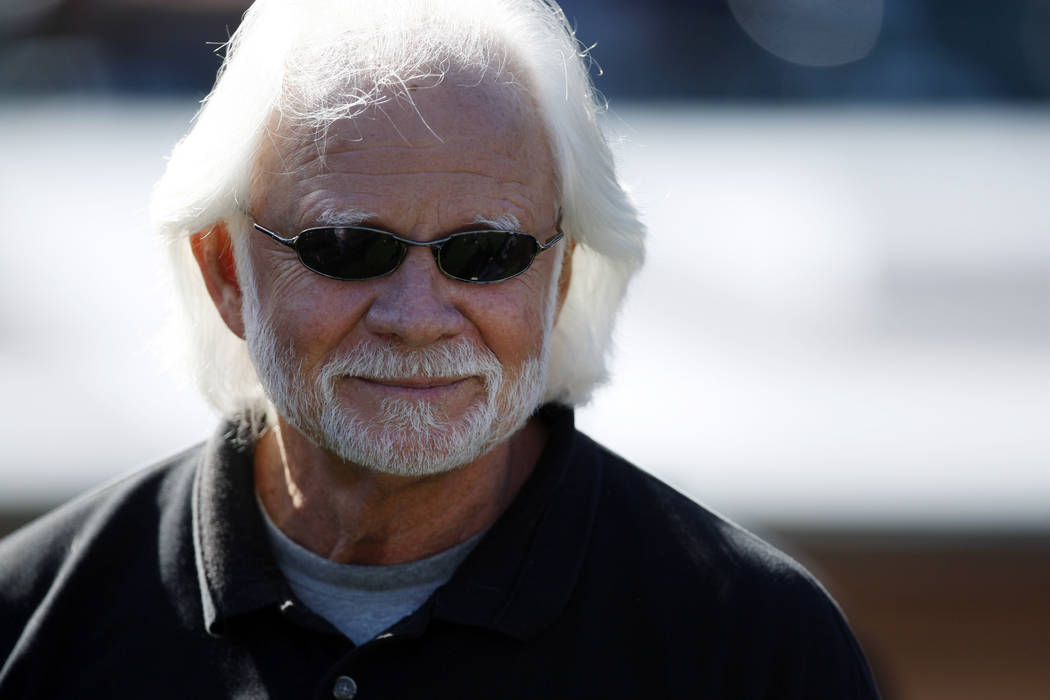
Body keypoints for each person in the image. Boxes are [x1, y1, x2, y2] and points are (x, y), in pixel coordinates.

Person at [0, 1, 880, 697]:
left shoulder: (755, 645)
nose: (418, 316)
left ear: (562, 275)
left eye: (485, 254)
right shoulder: (31, 622)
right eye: (347, 248)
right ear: (227, 271)